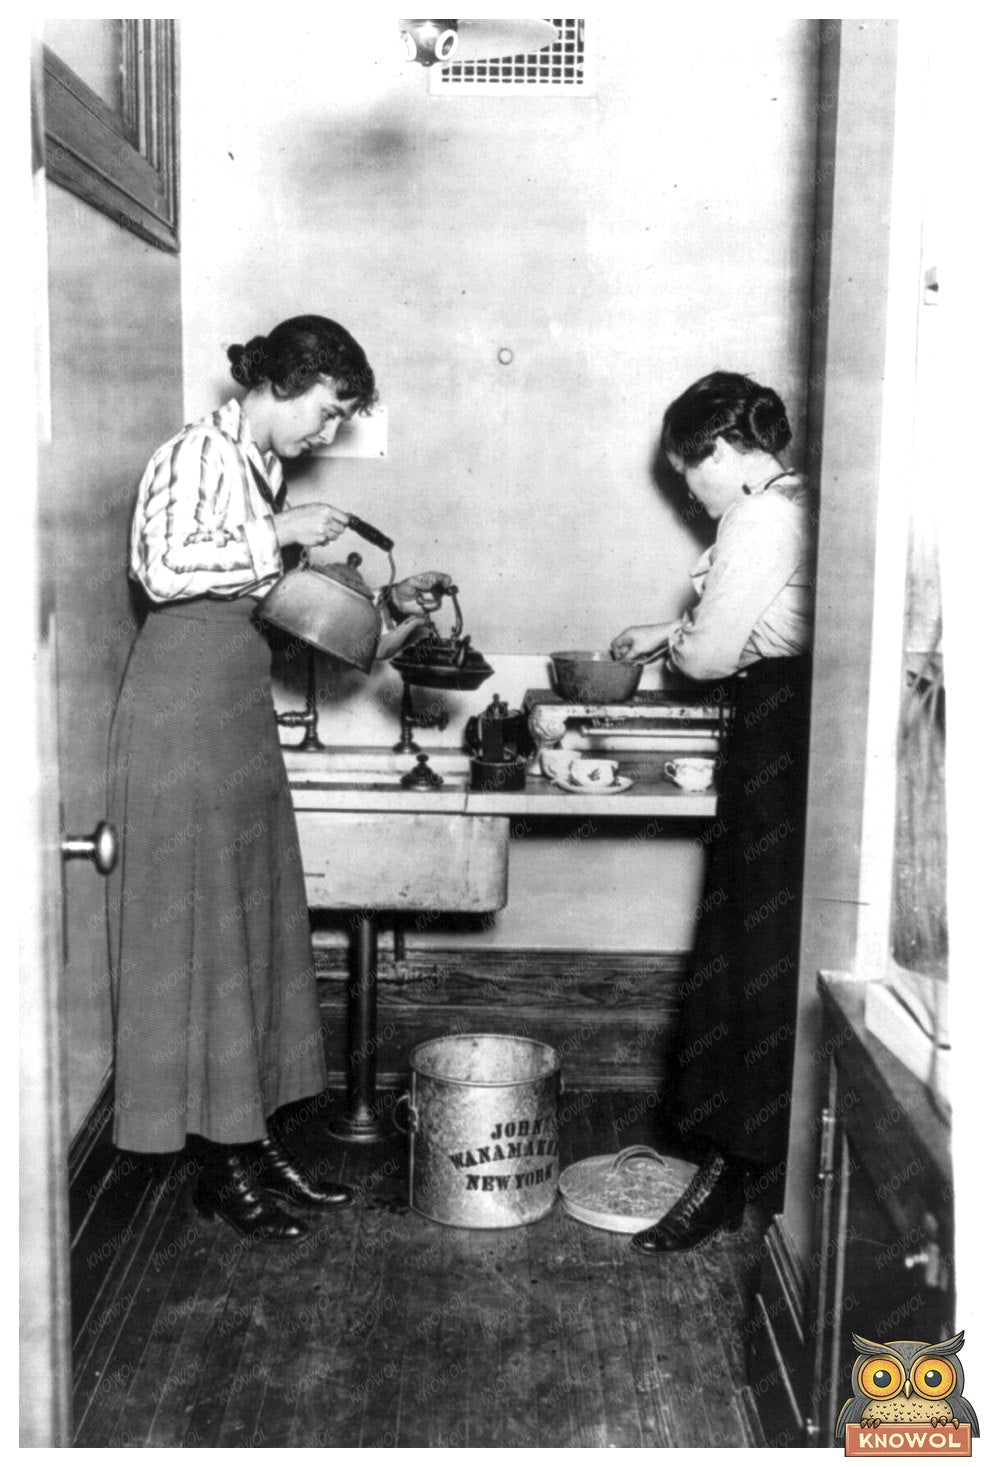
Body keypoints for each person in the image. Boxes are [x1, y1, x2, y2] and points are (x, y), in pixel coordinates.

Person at [106, 315, 449, 1242]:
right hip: (181, 713)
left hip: (232, 709)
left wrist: (389, 608)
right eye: (326, 411)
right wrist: (277, 530)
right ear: (283, 382)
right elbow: (161, 568)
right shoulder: (193, 452)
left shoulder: (259, 469)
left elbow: (290, 612)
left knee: (253, 925)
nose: (327, 432)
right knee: (208, 932)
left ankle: (249, 1142)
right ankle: (222, 1163)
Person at [611, 371, 814, 1252]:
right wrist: (671, 630)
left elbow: (710, 658)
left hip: (775, 729)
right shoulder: (798, 501)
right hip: (802, 726)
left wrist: (680, 644)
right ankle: (750, 1161)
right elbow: (771, 614)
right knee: (768, 942)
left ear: (725, 451)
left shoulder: (757, 517)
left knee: (747, 944)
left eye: (688, 472)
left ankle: (730, 1169)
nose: (689, 493)